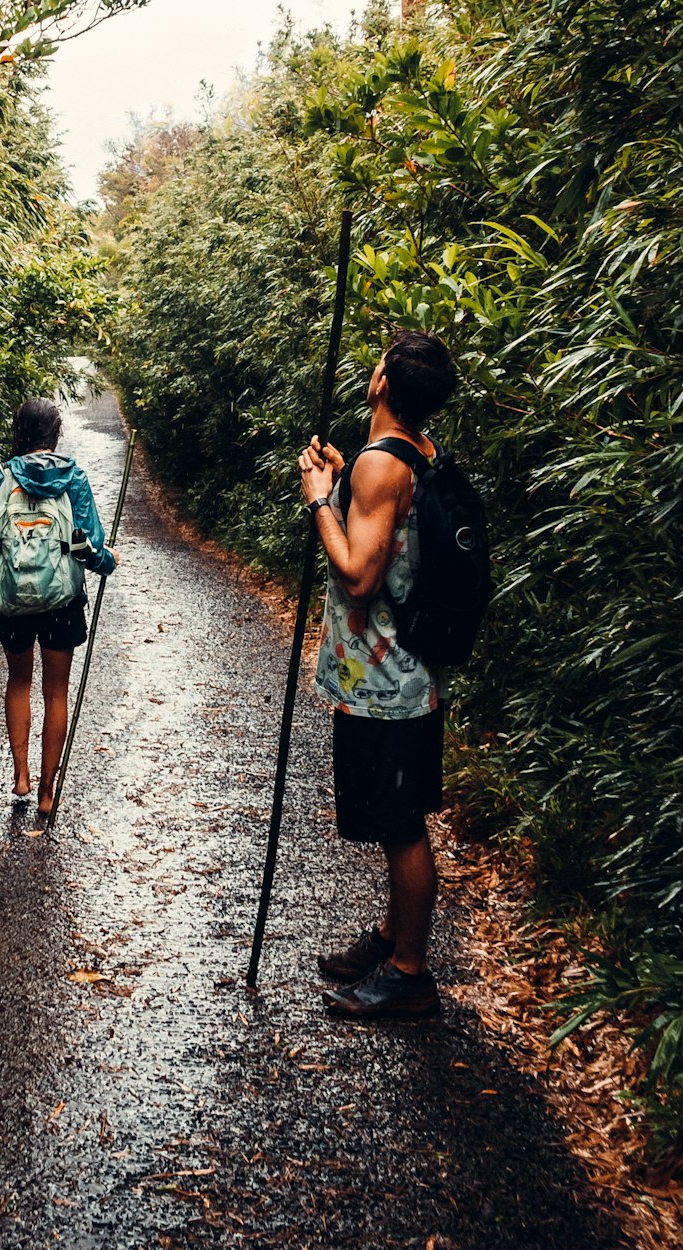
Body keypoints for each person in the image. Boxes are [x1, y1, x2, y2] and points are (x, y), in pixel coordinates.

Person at [297, 330, 456, 1019]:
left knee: (401, 825)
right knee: (399, 816)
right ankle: (394, 938)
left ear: (385, 381)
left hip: (387, 683)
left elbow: (360, 576)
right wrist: (343, 485)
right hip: (405, 673)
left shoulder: (381, 467)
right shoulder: (415, 452)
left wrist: (318, 499)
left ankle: (410, 974)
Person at [0, 397, 116, 817]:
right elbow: (90, 546)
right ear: (57, 432)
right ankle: (48, 790)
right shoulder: (74, 479)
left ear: (19, 432)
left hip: (12, 600)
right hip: (61, 601)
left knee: (19, 683)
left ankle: (21, 776)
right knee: (56, 691)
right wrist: (107, 562)